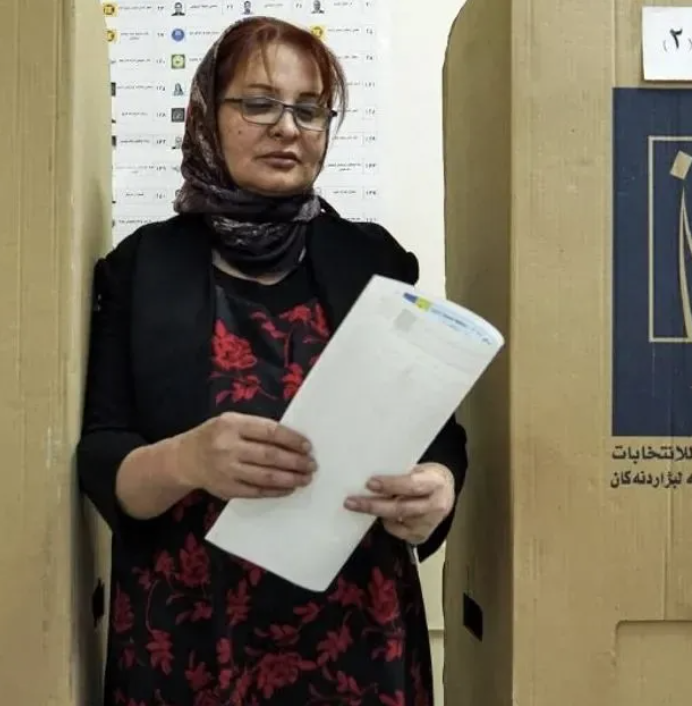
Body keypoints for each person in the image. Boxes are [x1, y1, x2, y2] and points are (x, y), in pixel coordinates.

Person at [77, 15, 467, 706]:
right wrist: (187, 460)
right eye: (258, 103)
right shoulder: (142, 266)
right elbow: (101, 454)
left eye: (310, 110)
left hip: (359, 634)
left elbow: (437, 432)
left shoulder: (373, 259)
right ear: (207, 116)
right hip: (190, 639)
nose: (287, 128)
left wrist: (437, 485)